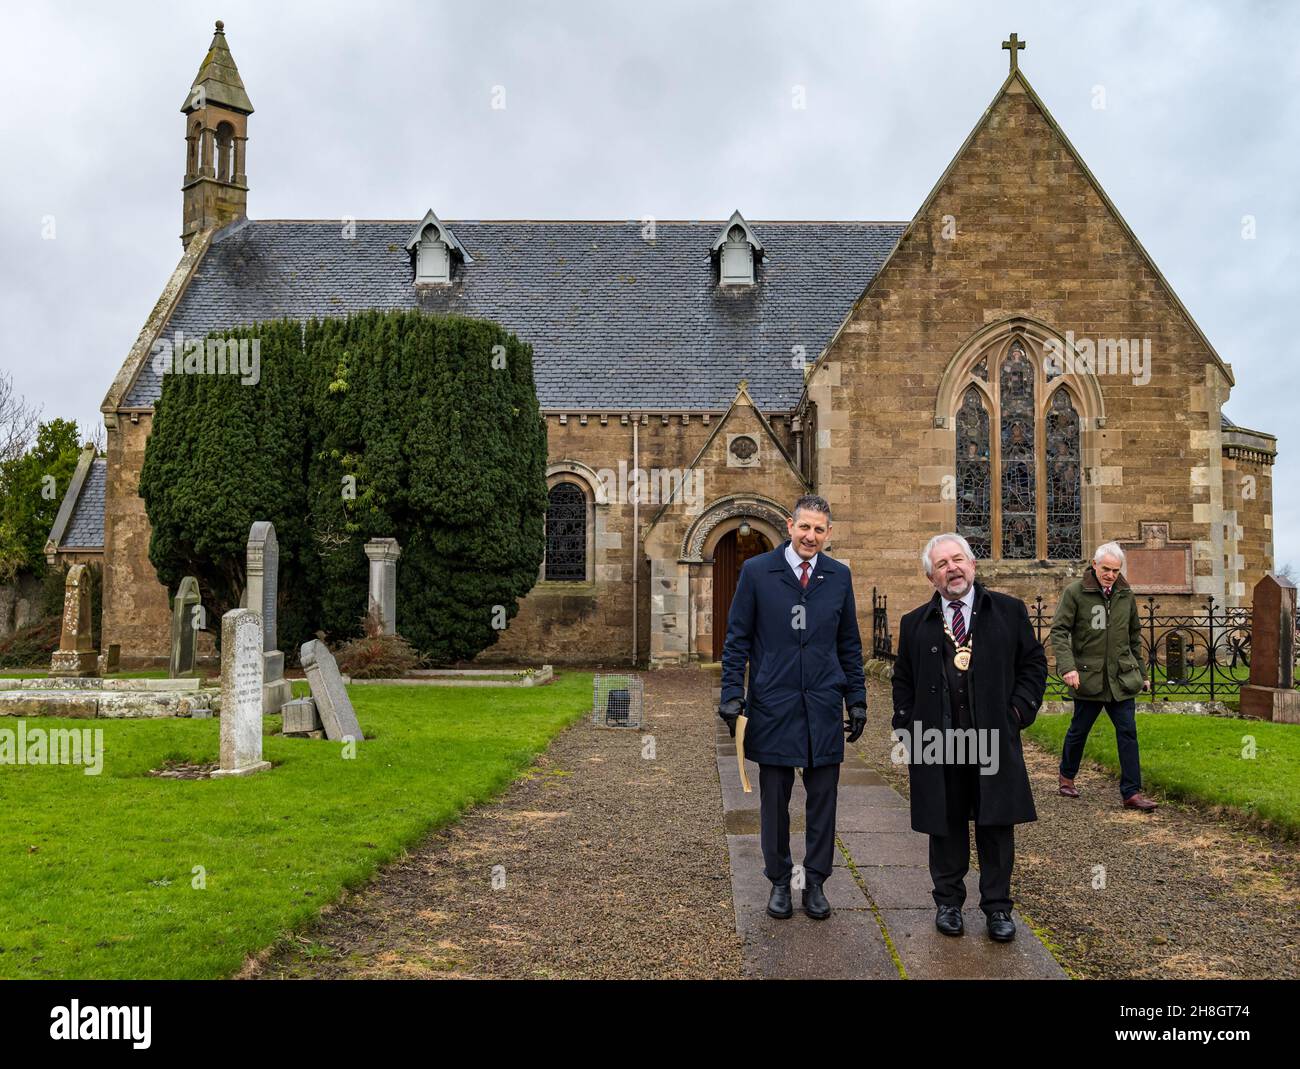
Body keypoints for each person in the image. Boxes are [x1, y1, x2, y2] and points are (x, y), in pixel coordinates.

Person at [718, 494, 867, 921]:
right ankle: (780, 881)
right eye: (805, 527)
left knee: (823, 800)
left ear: (829, 533)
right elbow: (737, 639)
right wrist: (733, 693)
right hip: (773, 704)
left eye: (820, 529)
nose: (811, 536)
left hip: (822, 704)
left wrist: (856, 699)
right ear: (789, 525)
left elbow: (849, 644)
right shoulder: (757, 572)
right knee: (774, 800)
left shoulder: (838, 577)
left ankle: (816, 881)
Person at [891, 533, 1046, 942]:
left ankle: (997, 909)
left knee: (995, 826)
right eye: (942, 564)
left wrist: (1017, 712)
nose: (952, 569)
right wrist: (907, 727)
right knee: (946, 825)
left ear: (973, 565)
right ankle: (948, 904)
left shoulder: (1008, 612)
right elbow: (902, 682)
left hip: (991, 737)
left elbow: (1033, 664)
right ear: (931, 576)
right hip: (938, 742)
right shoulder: (914, 624)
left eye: (958, 560)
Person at [1051, 542, 1158, 811]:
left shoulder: (1125, 594)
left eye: (1116, 570)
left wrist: (1142, 673)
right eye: (1106, 569)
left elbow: (1134, 637)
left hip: (1121, 679)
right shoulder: (1075, 592)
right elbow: (1060, 631)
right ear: (1095, 565)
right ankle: (1067, 776)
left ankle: (1131, 793)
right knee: (1079, 730)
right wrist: (1068, 667)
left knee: (1128, 732)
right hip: (1089, 677)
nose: (1111, 574)